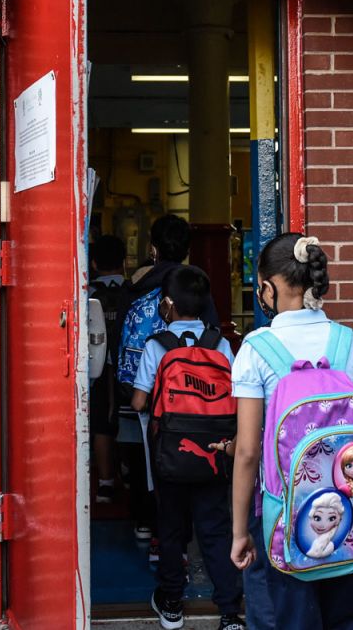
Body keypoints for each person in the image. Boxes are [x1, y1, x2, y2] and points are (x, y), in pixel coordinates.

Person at [228, 233, 353, 630]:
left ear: (268, 287)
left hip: (278, 513)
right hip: (346, 509)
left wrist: (239, 532)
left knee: (280, 618)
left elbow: (247, 452)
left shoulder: (257, 349)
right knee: (339, 618)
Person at [131, 266, 243, 630]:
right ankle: (229, 612)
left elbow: (137, 402)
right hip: (215, 452)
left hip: (170, 456)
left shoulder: (157, 345)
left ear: (168, 304)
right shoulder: (221, 344)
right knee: (215, 530)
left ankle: (172, 604)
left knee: (171, 529)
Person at [118, 214, 220, 548]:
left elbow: (125, 362)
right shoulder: (198, 291)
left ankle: (147, 526)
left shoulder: (134, 294)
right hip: (201, 410)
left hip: (147, 402)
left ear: (152, 248)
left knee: (149, 465)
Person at [88, 235, 128, 503]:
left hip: (96, 368)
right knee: (127, 419)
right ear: (124, 263)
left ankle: (105, 482)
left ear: (93, 263)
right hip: (129, 368)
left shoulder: (87, 293)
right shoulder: (133, 290)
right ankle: (127, 471)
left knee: (101, 421)